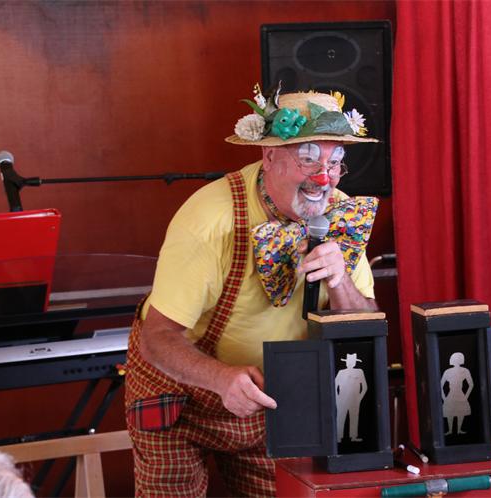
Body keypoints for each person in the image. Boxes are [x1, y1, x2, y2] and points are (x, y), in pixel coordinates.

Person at [124, 86, 380, 497]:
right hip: (178, 392)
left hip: (270, 395)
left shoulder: (339, 215)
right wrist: (221, 378)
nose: (324, 178)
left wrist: (340, 280)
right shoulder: (209, 220)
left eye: (335, 162)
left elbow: (365, 326)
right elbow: (157, 338)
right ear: (269, 156)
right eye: (308, 158)